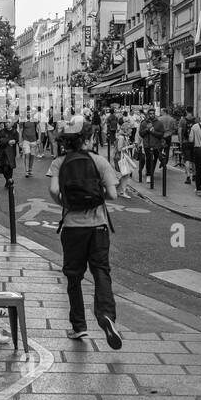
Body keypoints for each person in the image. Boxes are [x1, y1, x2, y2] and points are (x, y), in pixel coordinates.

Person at [48, 116, 121, 349]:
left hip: (72, 228)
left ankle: (79, 326)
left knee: (73, 276)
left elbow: (53, 190)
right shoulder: (100, 161)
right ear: (87, 139)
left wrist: (65, 204)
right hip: (98, 226)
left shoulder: (59, 162)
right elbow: (113, 195)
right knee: (101, 272)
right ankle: (106, 315)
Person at [19, 111, 39, 177]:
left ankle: (30, 169)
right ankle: (27, 171)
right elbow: (21, 131)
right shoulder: (23, 120)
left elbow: (39, 129)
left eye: (30, 112)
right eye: (27, 112)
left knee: (32, 156)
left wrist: (39, 139)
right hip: (26, 140)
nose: (29, 113)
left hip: (34, 140)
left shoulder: (35, 120)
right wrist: (20, 141)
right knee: (27, 154)